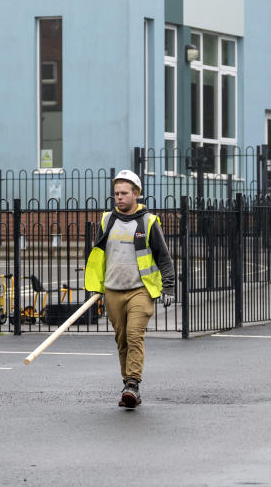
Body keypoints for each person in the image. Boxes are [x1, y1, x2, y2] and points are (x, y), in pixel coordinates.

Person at [84, 170, 175, 408]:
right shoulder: (107, 220)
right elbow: (99, 255)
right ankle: (129, 386)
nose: (119, 197)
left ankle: (133, 384)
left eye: (124, 193)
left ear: (136, 194)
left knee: (135, 336)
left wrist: (169, 287)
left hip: (140, 290)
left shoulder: (147, 222)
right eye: (116, 194)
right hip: (113, 290)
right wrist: (97, 286)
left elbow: (163, 256)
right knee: (122, 339)